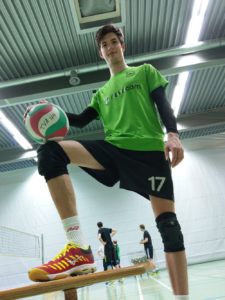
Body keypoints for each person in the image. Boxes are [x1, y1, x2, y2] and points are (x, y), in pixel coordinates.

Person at [27, 24, 189, 299]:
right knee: (50, 151)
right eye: (105, 45)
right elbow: (77, 121)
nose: (110, 47)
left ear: (122, 45)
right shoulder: (100, 94)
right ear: (101, 53)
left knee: (169, 228)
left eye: (114, 41)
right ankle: (78, 247)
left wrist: (172, 134)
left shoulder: (144, 72)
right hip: (114, 151)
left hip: (149, 154)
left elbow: (163, 104)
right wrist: (50, 111)